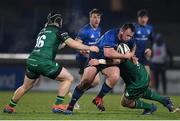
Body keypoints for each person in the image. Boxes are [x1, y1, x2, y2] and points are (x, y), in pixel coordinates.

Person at [3, 10, 99, 113]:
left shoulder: (42, 31)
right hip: (44, 62)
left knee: (25, 86)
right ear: (59, 21)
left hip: (32, 60)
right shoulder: (59, 31)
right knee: (68, 78)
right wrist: (89, 47)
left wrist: (64, 44)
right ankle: (57, 106)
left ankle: (9, 107)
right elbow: (73, 44)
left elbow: (53, 47)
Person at [61, 23, 136, 114]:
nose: (129, 38)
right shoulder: (111, 34)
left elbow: (133, 46)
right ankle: (71, 106)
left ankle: (98, 98)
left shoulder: (129, 39)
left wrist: (131, 54)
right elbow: (108, 53)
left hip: (107, 62)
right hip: (95, 58)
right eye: (127, 35)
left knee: (115, 75)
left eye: (131, 36)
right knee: (86, 82)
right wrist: (125, 56)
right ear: (121, 31)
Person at [90, 57, 174, 115]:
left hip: (137, 81)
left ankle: (150, 107)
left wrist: (99, 61)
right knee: (142, 92)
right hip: (139, 76)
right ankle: (164, 100)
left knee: (125, 102)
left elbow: (117, 61)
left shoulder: (119, 50)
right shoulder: (123, 46)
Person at [66, 9, 102, 109]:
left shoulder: (99, 29)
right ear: (90, 18)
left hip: (92, 59)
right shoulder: (84, 30)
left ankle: (72, 95)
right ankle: (73, 98)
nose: (96, 19)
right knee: (94, 82)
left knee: (87, 83)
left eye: (98, 17)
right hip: (83, 59)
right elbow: (76, 43)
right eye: (94, 17)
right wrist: (84, 51)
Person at [133, 9, 155, 87]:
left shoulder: (150, 28)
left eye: (145, 17)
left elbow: (152, 41)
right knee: (133, 80)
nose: (143, 19)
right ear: (138, 18)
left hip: (144, 56)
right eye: (141, 17)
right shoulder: (133, 27)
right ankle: (127, 97)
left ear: (147, 18)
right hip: (134, 56)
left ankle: (136, 97)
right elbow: (128, 40)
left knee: (147, 80)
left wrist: (149, 48)